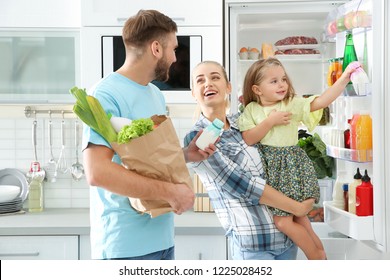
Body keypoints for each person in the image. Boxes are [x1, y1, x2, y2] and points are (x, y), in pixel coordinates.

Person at [82, 10, 214, 260]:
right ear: (156, 48)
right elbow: (97, 172)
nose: (176, 58)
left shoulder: (155, 94)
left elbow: (147, 157)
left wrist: (186, 154)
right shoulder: (104, 95)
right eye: (173, 49)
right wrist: (172, 193)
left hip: (162, 240)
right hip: (124, 247)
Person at [184, 61, 315, 260]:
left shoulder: (243, 123)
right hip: (255, 246)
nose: (208, 84)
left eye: (215, 77)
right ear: (194, 93)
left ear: (228, 87)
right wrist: (297, 208)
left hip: (287, 239)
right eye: (200, 80)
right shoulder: (198, 138)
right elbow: (242, 184)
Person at [238, 57, 360, 260]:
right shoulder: (251, 110)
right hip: (271, 171)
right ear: (257, 90)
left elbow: (321, 100)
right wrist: (270, 121)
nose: (282, 84)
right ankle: (320, 255)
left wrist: (344, 77)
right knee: (300, 219)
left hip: (291, 168)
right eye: (274, 81)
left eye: (283, 79)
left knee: (283, 221)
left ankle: (315, 258)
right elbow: (249, 138)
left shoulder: (290, 103)